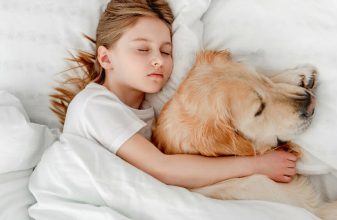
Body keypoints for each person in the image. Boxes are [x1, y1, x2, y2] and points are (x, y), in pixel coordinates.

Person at [50, 0, 297, 189]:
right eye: (143, 49)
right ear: (105, 58)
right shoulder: (94, 106)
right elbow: (163, 169)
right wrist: (257, 165)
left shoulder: (150, 112)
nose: (158, 60)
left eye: (166, 51)